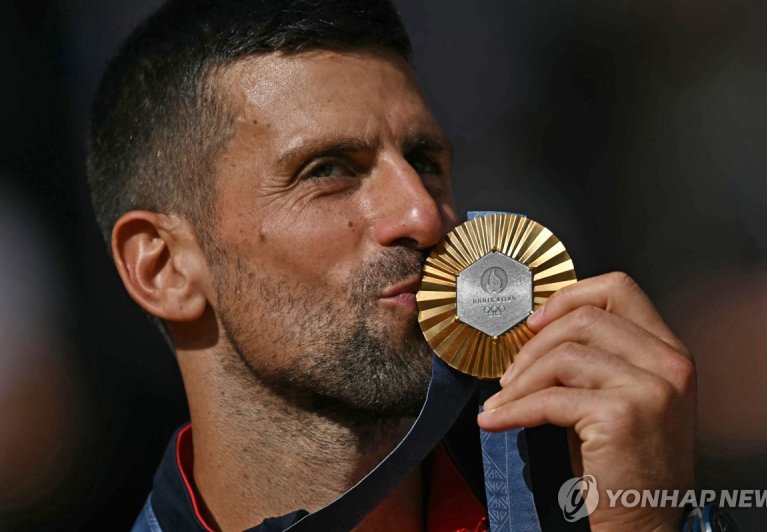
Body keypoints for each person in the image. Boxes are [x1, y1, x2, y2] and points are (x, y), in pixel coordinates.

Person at [87, 0, 696, 530]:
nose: (423, 215)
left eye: (425, 161)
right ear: (164, 268)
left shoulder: (598, 485)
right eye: (327, 170)